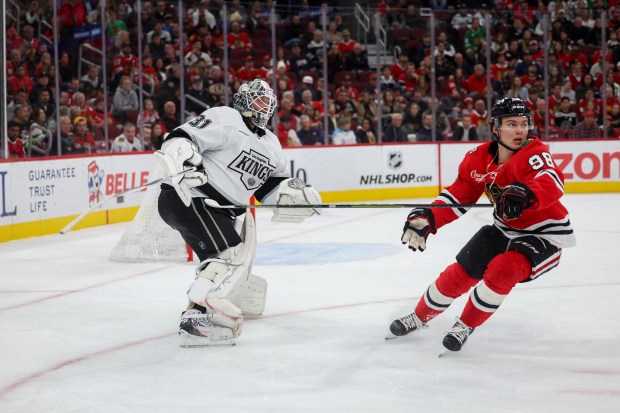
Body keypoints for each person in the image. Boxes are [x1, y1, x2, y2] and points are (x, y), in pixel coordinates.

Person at [388, 97, 576, 353]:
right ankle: (419, 317)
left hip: (545, 235)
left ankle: (465, 325)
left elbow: (552, 181)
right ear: (496, 128)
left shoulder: (535, 153)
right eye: (511, 124)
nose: (520, 130)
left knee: (502, 269)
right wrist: (429, 218)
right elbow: (459, 196)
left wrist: (527, 193)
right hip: (504, 229)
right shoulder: (478, 159)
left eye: (523, 124)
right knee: (461, 271)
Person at [155, 79, 321, 347]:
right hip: (190, 198)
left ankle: (196, 312)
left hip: (218, 212)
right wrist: (183, 155)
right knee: (228, 255)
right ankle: (193, 319)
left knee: (219, 264)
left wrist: (293, 196)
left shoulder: (271, 144)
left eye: (267, 101)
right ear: (243, 100)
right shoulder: (226, 118)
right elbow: (181, 137)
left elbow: (269, 187)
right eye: (257, 99)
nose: (263, 105)